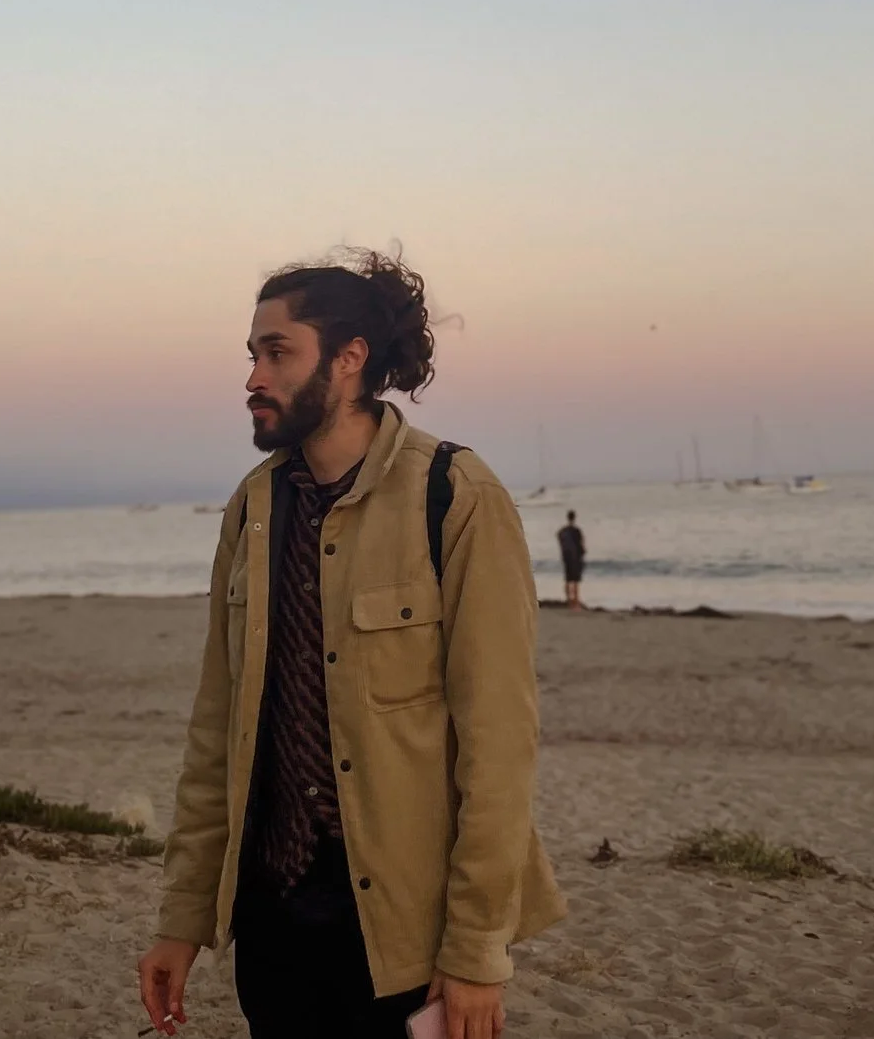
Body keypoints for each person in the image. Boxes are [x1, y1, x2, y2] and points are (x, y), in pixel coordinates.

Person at [138, 249, 563, 1039]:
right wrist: (185, 917)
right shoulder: (253, 508)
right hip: (272, 924)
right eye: (252, 355)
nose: (254, 378)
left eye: (277, 351)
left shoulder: (455, 496)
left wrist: (475, 949)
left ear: (349, 360)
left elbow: (499, 744)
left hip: (400, 933)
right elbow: (216, 732)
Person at [557, 511, 587, 611]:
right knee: (575, 581)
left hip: (566, 558)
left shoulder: (563, 531)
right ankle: (576, 602)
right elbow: (581, 545)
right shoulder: (576, 531)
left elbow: (559, 539)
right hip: (575, 558)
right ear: (574, 518)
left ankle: (569, 601)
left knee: (567, 580)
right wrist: (582, 556)